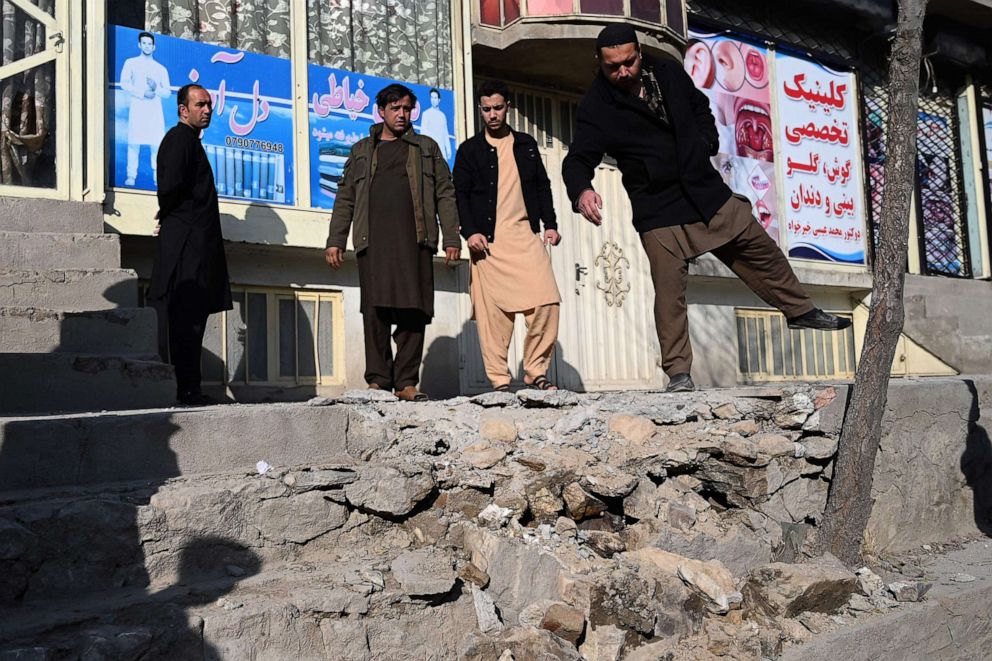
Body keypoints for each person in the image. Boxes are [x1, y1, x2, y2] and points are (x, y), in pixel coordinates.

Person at [562, 24, 851, 393]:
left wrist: (706, 141)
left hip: (702, 189)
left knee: (755, 242)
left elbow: (700, 108)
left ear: (638, 51)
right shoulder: (595, 107)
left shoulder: (667, 71)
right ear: (600, 64)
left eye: (628, 62)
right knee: (669, 294)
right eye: (612, 67)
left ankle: (800, 310)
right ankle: (679, 373)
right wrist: (582, 190)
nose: (622, 72)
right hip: (657, 206)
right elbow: (577, 159)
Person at [324, 84, 460, 402]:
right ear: (381, 111)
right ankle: (379, 380)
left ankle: (407, 382)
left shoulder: (426, 148)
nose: (402, 114)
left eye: (407, 109)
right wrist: (335, 240)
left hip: (416, 241)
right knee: (375, 311)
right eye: (395, 108)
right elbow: (345, 197)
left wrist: (452, 236)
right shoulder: (361, 150)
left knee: (414, 311)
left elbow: (445, 192)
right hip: (373, 242)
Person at [453, 80, 562, 392]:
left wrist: (550, 223)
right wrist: (469, 231)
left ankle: (535, 371)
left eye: (498, 108)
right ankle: (500, 381)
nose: (492, 115)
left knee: (547, 301)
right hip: (488, 243)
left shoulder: (526, 145)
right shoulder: (469, 150)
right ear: (480, 110)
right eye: (486, 109)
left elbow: (542, 185)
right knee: (494, 317)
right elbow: (458, 194)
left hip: (525, 237)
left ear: (508, 108)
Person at [149, 84, 232, 406]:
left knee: (193, 318)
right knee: (187, 319)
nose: (207, 110)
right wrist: (168, 217)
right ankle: (186, 390)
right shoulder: (179, 139)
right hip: (187, 248)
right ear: (183, 109)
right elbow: (170, 187)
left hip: (194, 244)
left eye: (209, 104)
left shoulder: (189, 142)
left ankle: (190, 388)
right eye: (200, 104)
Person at [120, 31, 171, 187]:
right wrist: (142, 93)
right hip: (138, 108)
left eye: (150, 44)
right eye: (144, 43)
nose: (147, 46)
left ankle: (158, 177)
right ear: (139, 45)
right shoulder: (131, 63)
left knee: (156, 144)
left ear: (154, 47)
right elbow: (124, 83)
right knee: (134, 143)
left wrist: (156, 89)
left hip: (155, 111)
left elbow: (167, 93)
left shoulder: (161, 68)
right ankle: (131, 176)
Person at [420, 87, 452, 161]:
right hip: (430, 152)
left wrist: (448, 149)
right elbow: (423, 134)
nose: (433, 100)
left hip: (442, 152)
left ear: (439, 100)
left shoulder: (442, 116)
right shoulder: (426, 114)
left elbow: (445, 133)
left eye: (435, 98)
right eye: (432, 97)